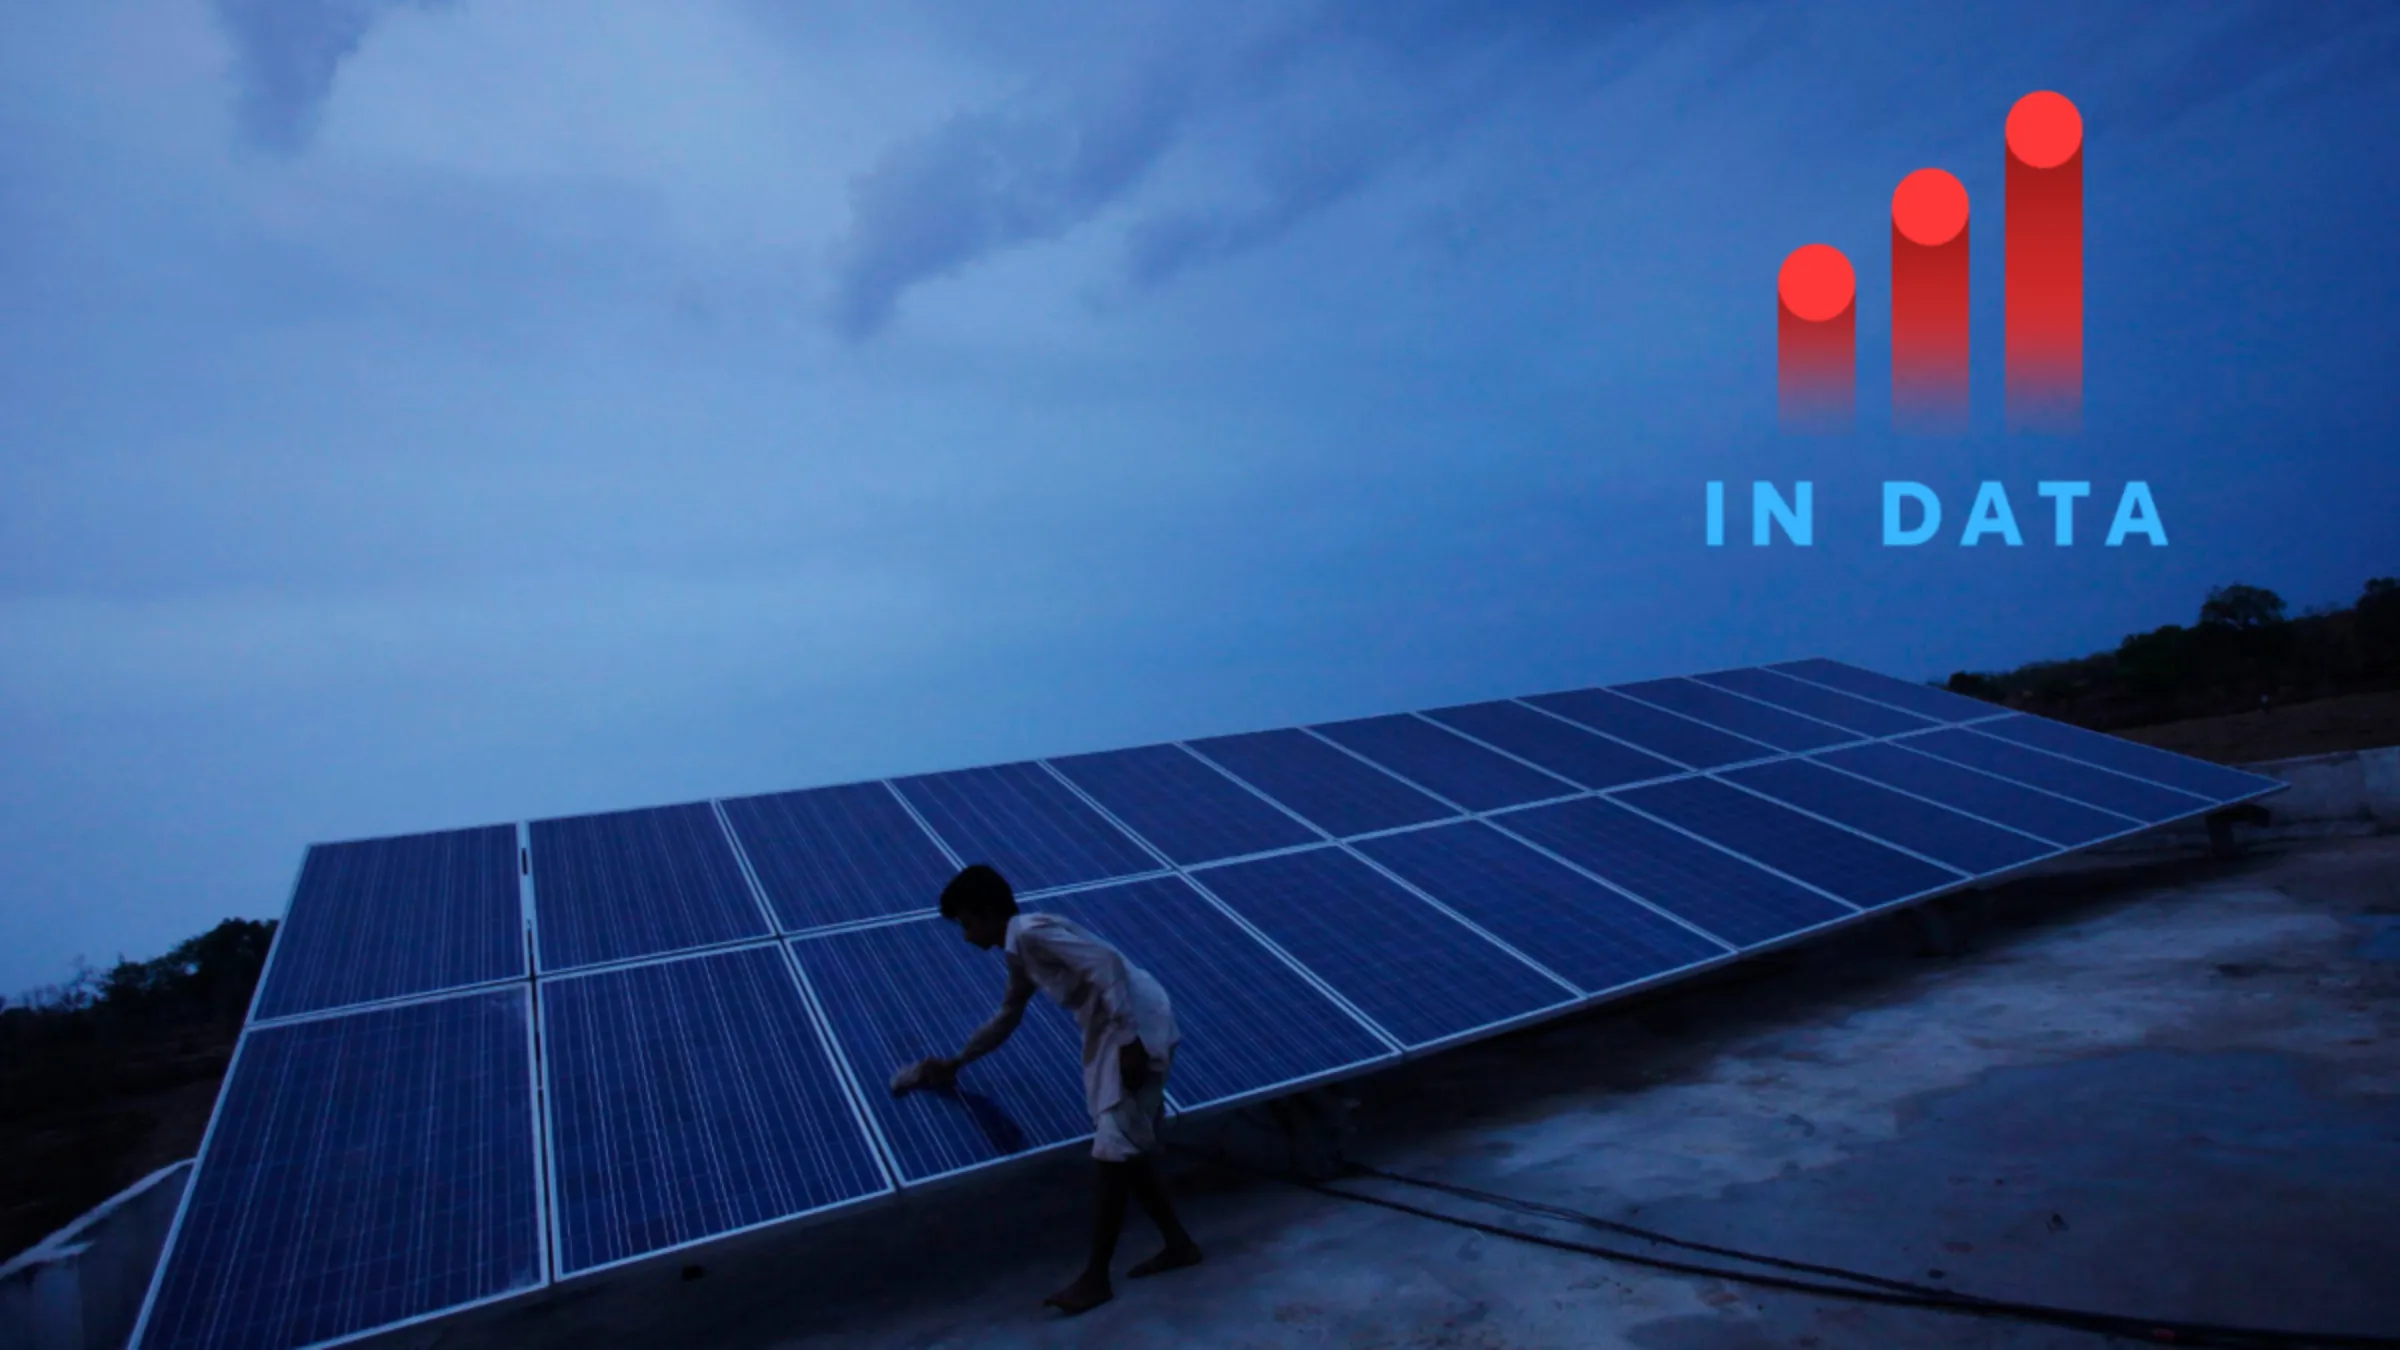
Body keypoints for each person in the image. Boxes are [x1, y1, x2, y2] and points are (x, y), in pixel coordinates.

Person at [891, 863, 1203, 1314]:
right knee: (1125, 1149)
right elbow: (1007, 1016)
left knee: (1112, 1152)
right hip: (1114, 1031)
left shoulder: (1033, 933)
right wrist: (957, 1062)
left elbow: (1106, 964)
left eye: (967, 923)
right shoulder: (1021, 953)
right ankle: (1178, 1244)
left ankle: (1096, 1278)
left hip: (1131, 1029)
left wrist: (1130, 1039)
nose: (965, 936)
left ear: (990, 913)